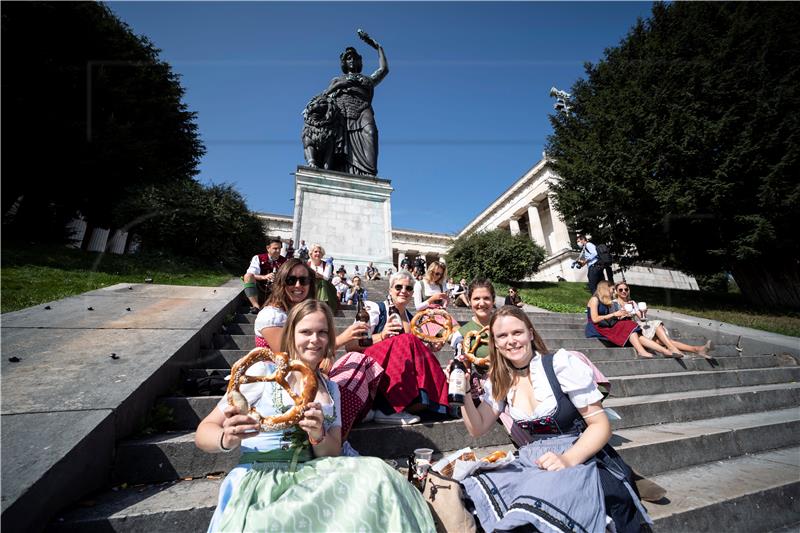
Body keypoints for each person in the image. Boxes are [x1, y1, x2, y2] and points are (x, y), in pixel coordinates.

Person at [197, 300, 435, 532]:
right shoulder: (263, 373)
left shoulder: (330, 389)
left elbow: (331, 451)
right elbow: (204, 430)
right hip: (261, 476)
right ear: (291, 335)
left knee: (378, 472)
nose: (314, 340)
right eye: (306, 332)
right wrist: (226, 439)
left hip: (312, 473)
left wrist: (317, 434)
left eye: (322, 332)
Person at [451, 305, 652, 533]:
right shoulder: (500, 380)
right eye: (502, 336)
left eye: (517, 333)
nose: (511, 341)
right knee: (471, 493)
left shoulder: (559, 364)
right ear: (495, 343)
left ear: (530, 333)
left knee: (529, 517)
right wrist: (465, 392)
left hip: (579, 457)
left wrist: (567, 460)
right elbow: (477, 428)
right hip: (533, 460)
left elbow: (600, 426)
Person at [339, 270, 450, 425]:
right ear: (389, 290)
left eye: (408, 288)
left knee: (422, 351)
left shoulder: (414, 321)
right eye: (398, 287)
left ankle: (427, 403)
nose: (403, 291)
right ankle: (388, 408)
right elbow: (350, 345)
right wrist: (381, 336)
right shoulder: (375, 309)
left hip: (401, 378)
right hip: (373, 371)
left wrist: (430, 349)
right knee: (407, 340)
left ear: (412, 293)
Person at [324, 31, 388, 176]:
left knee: (370, 133)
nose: (351, 60)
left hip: (363, 110)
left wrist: (378, 47)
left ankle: (369, 174)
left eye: (354, 58)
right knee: (340, 147)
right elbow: (325, 95)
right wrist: (341, 84)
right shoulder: (337, 79)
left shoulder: (367, 79)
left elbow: (384, 70)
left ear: (359, 61)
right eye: (348, 58)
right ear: (344, 63)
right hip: (343, 112)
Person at [614, 282, 713, 359]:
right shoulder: (614, 303)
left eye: (626, 289)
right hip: (629, 330)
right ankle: (695, 349)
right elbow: (614, 320)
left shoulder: (632, 303)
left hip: (637, 326)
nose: (624, 291)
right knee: (663, 340)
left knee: (658, 327)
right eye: (621, 289)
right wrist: (623, 314)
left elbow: (642, 319)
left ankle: (696, 349)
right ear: (616, 291)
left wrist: (642, 311)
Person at [586, 280, 682, 359]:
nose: (613, 292)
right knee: (628, 325)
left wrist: (619, 315)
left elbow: (611, 318)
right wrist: (615, 314)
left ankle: (664, 351)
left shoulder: (606, 302)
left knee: (630, 326)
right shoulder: (594, 299)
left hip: (606, 326)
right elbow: (594, 319)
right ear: (605, 288)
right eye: (612, 289)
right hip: (596, 328)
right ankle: (641, 351)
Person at [242, 237, 286, 314]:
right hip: (259, 290)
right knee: (248, 276)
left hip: (276, 291)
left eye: (279, 249)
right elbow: (251, 274)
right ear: (268, 248)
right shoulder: (258, 258)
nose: (278, 251)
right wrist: (264, 277)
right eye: (275, 248)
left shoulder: (285, 261)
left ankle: (277, 306)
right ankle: (256, 306)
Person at [307, 244, 338, 313]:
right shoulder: (307, 264)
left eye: (320, 252)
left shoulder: (327, 265)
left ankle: (322, 305)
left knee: (322, 282)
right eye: (316, 251)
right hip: (311, 285)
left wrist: (317, 275)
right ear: (311, 253)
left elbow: (326, 278)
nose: (318, 253)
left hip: (325, 287)